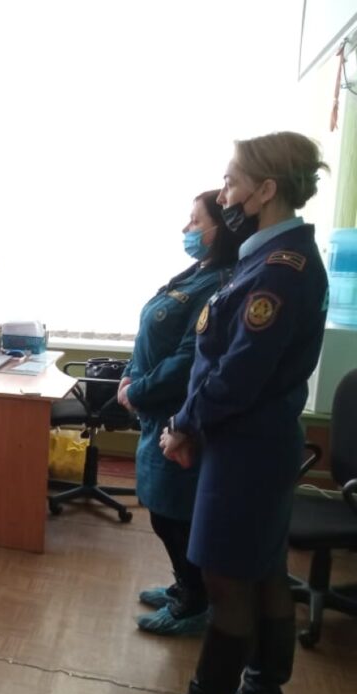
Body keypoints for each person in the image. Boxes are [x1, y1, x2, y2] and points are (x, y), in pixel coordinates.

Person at [126, 132, 330, 694]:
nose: (223, 194)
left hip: (244, 448)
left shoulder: (279, 271)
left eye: (232, 181)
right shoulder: (273, 258)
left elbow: (236, 373)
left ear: (266, 190)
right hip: (255, 442)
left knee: (226, 581)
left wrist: (184, 425)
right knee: (263, 573)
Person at [117, 190, 241, 637]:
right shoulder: (196, 274)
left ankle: (193, 601)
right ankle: (183, 585)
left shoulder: (221, 283)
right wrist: (129, 376)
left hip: (177, 415)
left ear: (218, 229)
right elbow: (151, 334)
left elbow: (189, 358)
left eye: (195, 221)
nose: (186, 229)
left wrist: (139, 390)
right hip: (155, 410)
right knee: (162, 508)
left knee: (173, 514)